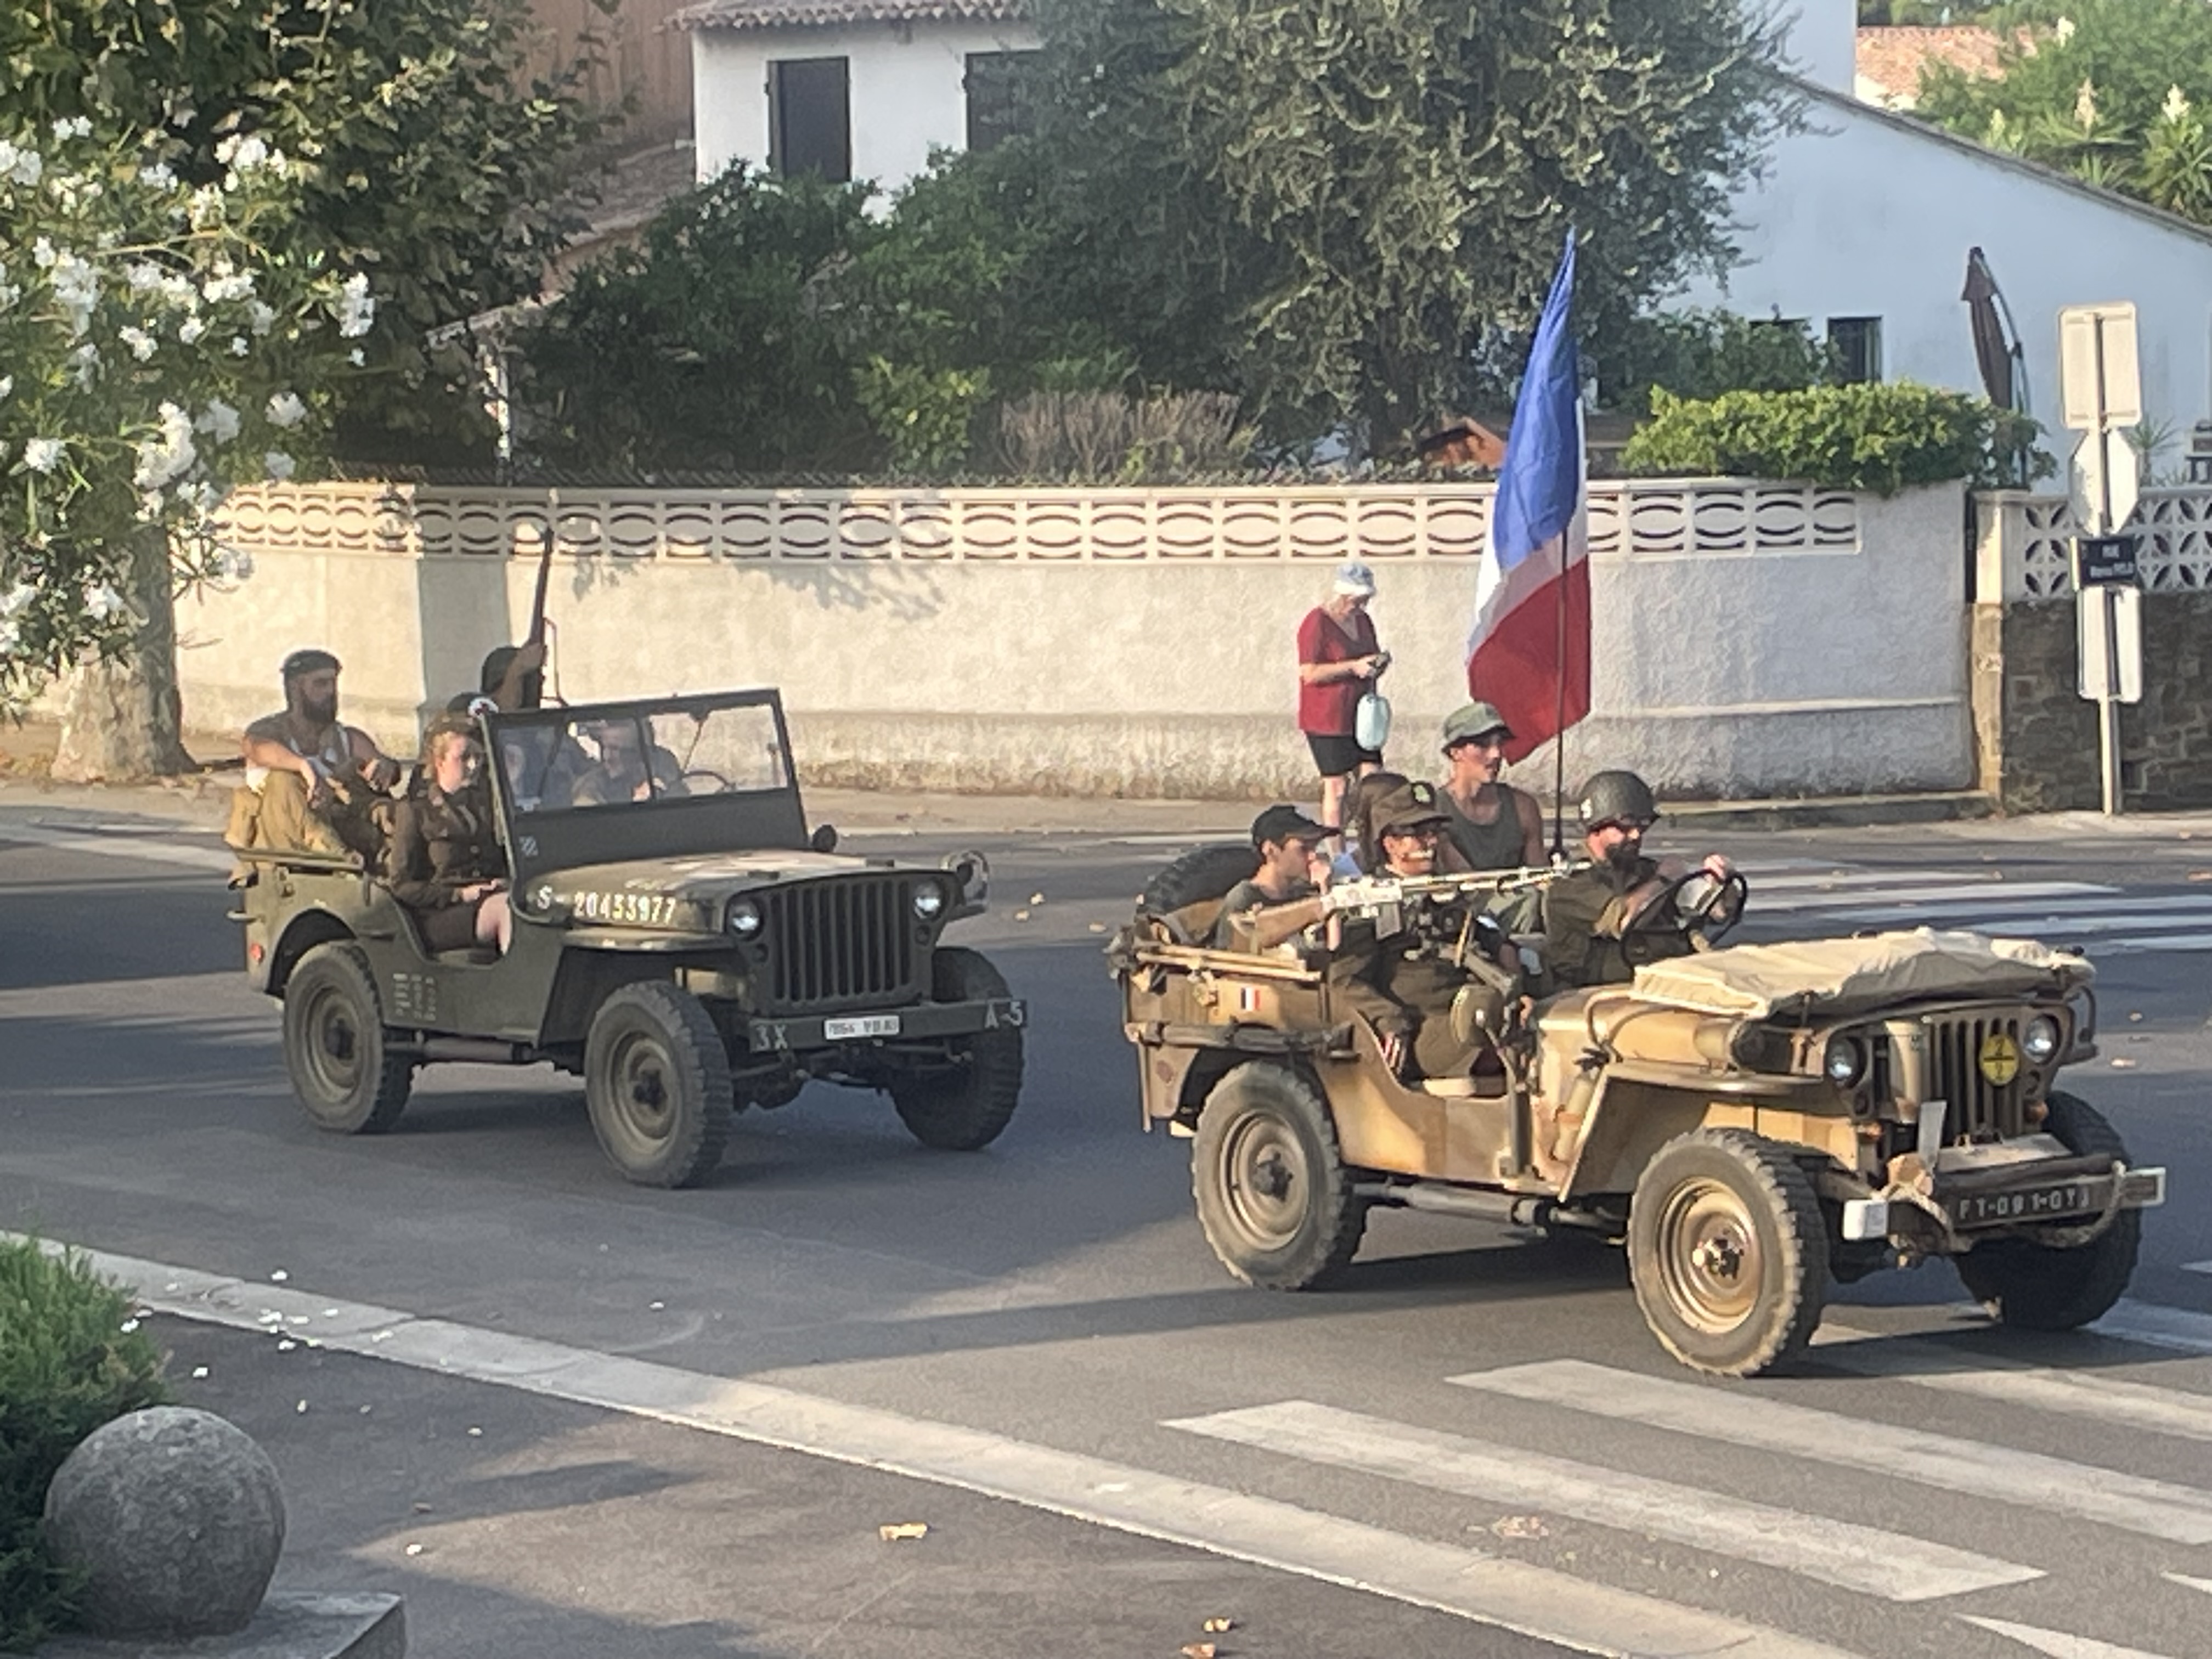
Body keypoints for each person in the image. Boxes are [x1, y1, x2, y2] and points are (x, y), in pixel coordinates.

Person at [1543, 769, 1734, 990]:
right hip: (1598, 991)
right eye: (1626, 825)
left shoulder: (1644, 870)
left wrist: (1720, 882)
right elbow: (1625, 921)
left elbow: (1717, 912)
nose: (1636, 835)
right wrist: (1662, 880)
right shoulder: (1569, 884)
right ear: (1596, 827)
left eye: (1642, 825)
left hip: (1665, 980)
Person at [232, 649, 400, 859]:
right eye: (321, 684)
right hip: (286, 842)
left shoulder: (346, 738)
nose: (331, 692)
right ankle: (333, 853)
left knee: (385, 808)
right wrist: (303, 767)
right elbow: (255, 748)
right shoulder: (269, 732)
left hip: (347, 830)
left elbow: (380, 764)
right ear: (295, 688)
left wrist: (384, 767)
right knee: (284, 780)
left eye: (333, 683)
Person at [383, 713, 511, 953]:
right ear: (439, 761)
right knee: (505, 910)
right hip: (440, 912)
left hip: (490, 898)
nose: (473, 765)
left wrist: (505, 881)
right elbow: (401, 885)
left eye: (478, 757)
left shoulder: (488, 805)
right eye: (464, 758)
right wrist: (459, 894)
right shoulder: (416, 810)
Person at [1296, 560, 1390, 833]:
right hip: (1327, 719)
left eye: (1365, 600)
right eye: (1356, 600)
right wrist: (1352, 667)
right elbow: (1309, 672)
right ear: (1341, 596)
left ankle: (1369, 840)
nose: (1361, 606)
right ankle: (1337, 847)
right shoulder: (1317, 623)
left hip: (1362, 716)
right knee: (1336, 787)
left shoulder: (1363, 621)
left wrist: (1377, 664)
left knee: (1373, 781)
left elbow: (1369, 655)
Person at [1436, 702, 1545, 871]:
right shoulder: (1435, 811)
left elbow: (1540, 875)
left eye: (1500, 744)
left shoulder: (1523, 808)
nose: (1496, 754)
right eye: (1482, 744)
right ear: (1456, 752)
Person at [1212, 804, 1334, 951]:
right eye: (1303, 849)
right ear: (1270, 850)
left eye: (1315, 847)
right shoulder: (1244, 897)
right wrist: (1318, 907)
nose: (1313, 856)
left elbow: (1333, 950)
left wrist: (1326, 889)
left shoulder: (1303, 893)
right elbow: (1232, 954)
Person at [569, 718, 687, 807]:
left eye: (616, 750)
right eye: (605, 748)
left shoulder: (662, 767)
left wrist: (658, 793)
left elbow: (682, 804)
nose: (608, 757)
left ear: (638, 754)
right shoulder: (592, 785)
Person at [444, 641, 549, 716]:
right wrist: (517, 670)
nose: (542, 681)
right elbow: (503, 714)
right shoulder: (464, 705)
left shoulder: (536, 723)